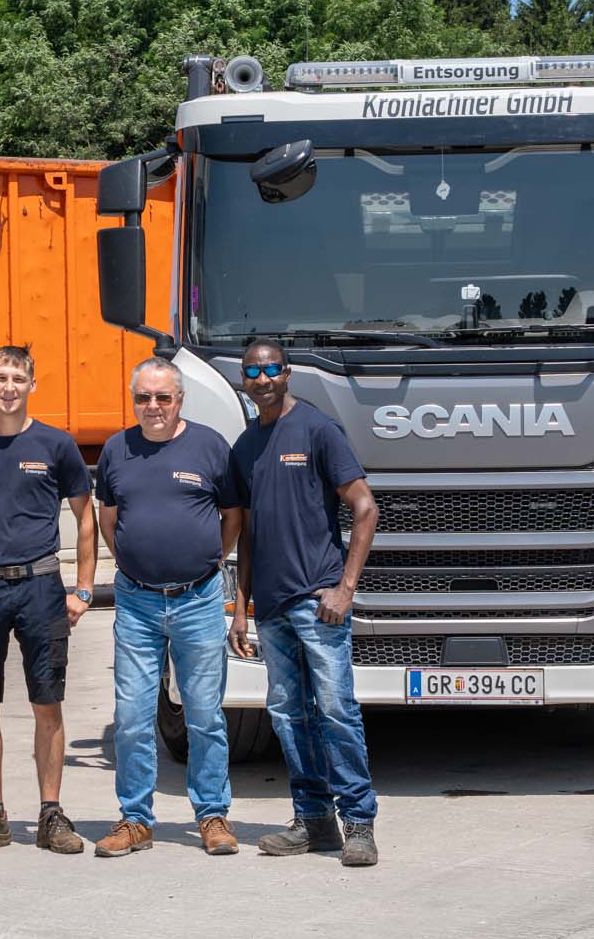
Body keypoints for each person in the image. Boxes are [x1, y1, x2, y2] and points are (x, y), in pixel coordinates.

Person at [229, 339, 382, 867]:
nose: (263, 379)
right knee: (288, 716)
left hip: (318, 601)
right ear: (244, 379)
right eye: (253, 371)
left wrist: (346, 588)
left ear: (288, 372)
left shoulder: (318, 430)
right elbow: (247, 534)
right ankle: (314, 820)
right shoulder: (245, 446)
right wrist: (242, 607)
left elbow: (365, 508)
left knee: (337, 711)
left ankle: (358, 823)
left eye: (271, 369)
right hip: (272, 608)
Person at [0, 345, 96, 855]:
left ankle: (51, 814)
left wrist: (83, 588)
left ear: (32, 385)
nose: (9, 387)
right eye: (1, 378)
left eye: (18, 378)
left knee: (46, 703)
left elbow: (86, 517)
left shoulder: (57, 445)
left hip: (40, 589)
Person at [92, 357, 241, 857]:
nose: (152, 406)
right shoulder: (117, 449)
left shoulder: (210, 446)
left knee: (204, 716)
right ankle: (136, 820)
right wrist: (133, 562)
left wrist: (210, 559)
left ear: (180, 400)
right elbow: (108, 518)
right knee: (132, 718)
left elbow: (232, 516)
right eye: (143, 397)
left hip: (198, 599)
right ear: (133, 400)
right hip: (136, 603)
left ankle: (212, 816)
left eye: (162, 397)